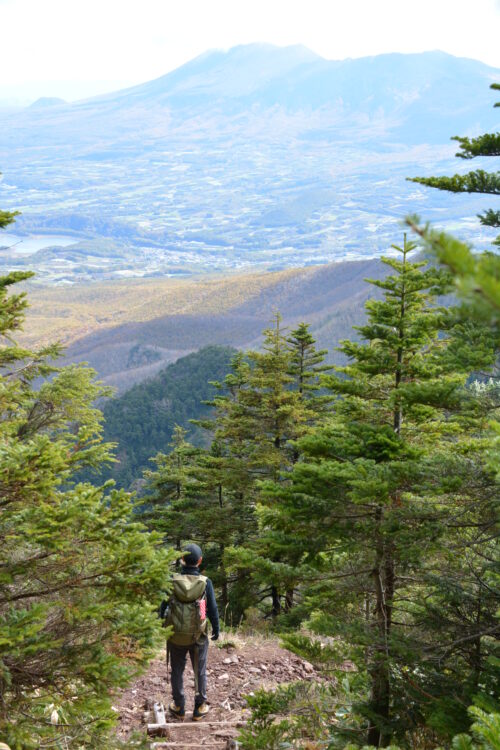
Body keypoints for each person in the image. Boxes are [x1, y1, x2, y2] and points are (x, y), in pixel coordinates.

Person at [166, 543, 219, 721]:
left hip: (176, 635)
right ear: (200, 561)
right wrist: (216, 629)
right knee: (200, 671)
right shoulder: (205, 583)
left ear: (182, 560)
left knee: (177, 670)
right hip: (198, 636)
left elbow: (163, 607)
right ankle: (199, 707)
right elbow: (211, 609)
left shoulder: (172, 581)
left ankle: (179, 705)